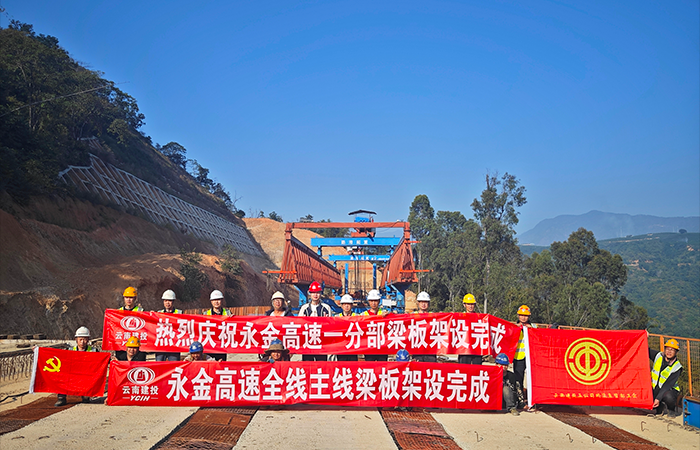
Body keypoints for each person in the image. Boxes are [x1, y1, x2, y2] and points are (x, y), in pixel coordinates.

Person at [55, 326, 97, 407]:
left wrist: (112, 359)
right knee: (61, 376)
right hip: (72, 375)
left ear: (88, 340)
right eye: (80, 339)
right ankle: (61, 398)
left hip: (85, 376)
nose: (82, 342)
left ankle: (85, 396)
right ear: (76, 339)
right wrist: (37, 351)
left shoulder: (93, 351)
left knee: (86, 398)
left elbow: (102, 360)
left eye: (84, 339)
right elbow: (58, 357)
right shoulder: (70, 350)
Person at [298, 281, 332, 361]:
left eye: (317, 292)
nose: (315, 295)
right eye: (313, 293)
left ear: (320, 293)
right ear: (310, 293)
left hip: (321, 342)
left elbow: (330, 325)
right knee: (307, 364)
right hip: (307, 342)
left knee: (321, 364)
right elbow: (299, 324)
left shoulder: (326, 308)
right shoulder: (304, 308)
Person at [649, 339, 683, 416]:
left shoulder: (677, 367)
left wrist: (658, 398)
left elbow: (667, 385)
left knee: (668, 397)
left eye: (672, 350)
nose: (669, 351)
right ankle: (659, 408)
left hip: (669, 390)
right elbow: (646, 349)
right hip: (655, 387)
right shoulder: (658, 356)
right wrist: (645, 336)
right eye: (667, 349)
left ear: (676, 352)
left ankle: (671, 410)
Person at [155, 289, 182, 361]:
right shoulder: (159, 313)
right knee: (159, 365)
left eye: (169, 300)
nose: (167, 303)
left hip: (174, 345)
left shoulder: (179, 313)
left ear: (173, 301)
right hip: (161, 345)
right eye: (165, 300)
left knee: (174, 365)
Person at [513, 305, 533, 398]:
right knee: (518, 379)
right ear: (518, 315)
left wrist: (531, 329)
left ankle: (531, 398)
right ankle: (520, 398)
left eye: (525, 315)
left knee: (531, 379)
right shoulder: (513, 327)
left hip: (531, 357)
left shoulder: (533, 327)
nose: (523, 317)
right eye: (521, 315)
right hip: (518, 357)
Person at [362, 289, 388, 362]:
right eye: (371, 301)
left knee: (382, 366)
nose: (373, 303)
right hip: (369, 346)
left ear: (379, 301)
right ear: (369, 301)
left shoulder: (384, 313)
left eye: (375, 301)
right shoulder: (363, 315)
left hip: (382, 346)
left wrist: (388, 315)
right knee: (370, 367)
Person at [204, 290, 229, 361]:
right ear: (211, 301)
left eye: (218, 299)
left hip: (221, 345)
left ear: (222, 300)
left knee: (221, 365)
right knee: (209, 365)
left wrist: (233, 318)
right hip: (209, 345)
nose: (216, 302)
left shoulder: (228, 313)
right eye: (214, 300)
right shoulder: (205, 314)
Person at [412, 291, 437, 363]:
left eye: (425, 302)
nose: (423, 304)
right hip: (417, 347)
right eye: (421, 302)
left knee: (431, 367)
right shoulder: (412, 315)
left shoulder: (433, 315)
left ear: (428, 303)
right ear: (418, 303)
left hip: (430, 348)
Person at [458, 293, 482, 365]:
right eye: (468, 304)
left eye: (472, 304)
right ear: (464, 305)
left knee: (477, 369)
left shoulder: (480, 317)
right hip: (464, 347)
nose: (470, 306)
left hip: (476, 347)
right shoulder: (459, 317)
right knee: (463, 368)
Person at [336, 294, 359, 362]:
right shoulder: (337, 317)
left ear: (352, 305)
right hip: (341, 348)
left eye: (348, 304)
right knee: (341, 366)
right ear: (341, 305)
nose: (346, 306)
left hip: (353, 348)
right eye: (344, 304)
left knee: (353, 366)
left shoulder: (357, 317)